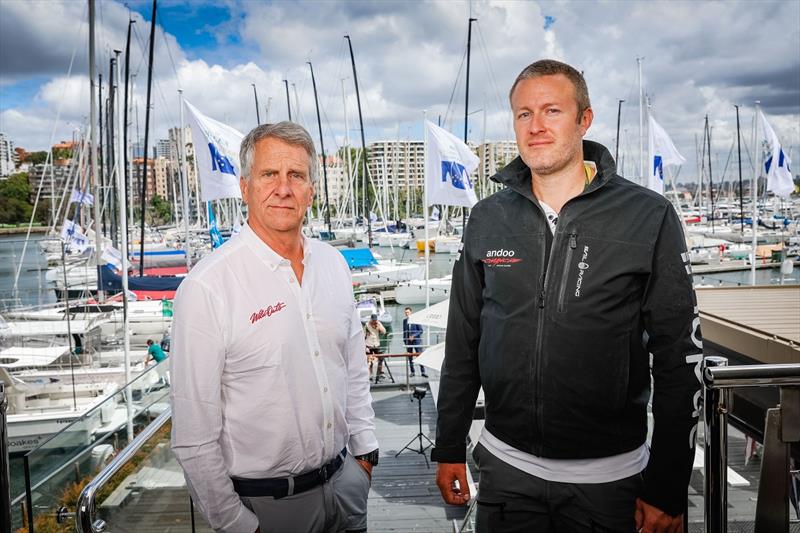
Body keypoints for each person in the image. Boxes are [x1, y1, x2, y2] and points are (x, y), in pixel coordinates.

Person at [432, 59, 703, 533]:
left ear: (585, 120)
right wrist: (449, 445)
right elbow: (464, 341)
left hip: (610, 481)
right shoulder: (486, 218)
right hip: (505, 471)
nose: (535, 126)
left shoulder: (649, 217)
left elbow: (680, 360)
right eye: (523, 114)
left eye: (551, 111)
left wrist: (667, 483)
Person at [170, 122, 379, 533]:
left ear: (311, 190)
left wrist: (365, 454)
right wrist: (237, 524)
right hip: (265, 507)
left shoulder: (333, 264)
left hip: (345, 485)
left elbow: (352, 369)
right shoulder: (207, 287)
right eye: (269, 175)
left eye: (296, 176)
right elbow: (193, 435)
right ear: (245, 186)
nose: (283, 188)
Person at [402, 307, 427, 378]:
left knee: (419, 356)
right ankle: (412, 372)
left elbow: (421, 330)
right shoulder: (404, 321)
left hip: (416, 341)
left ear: (411, 312)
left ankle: (423, 372)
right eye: (406, 312)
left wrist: (413, 336)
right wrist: (405, 340)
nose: (407, 314)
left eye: (408, 312)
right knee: (410, 357)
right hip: (408, 342)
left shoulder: (416, 320)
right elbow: (404, 331)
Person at [364, 313, 387, 381]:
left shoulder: (378, 323)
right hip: (369, 344)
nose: (374, 321)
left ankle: (379, 373)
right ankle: (370, 374)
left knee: (380, 358)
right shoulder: (367, 324)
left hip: (376, 344)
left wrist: (379, 327)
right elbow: (363, 335)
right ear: (371, 319)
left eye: (375, 320)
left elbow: (384, 332)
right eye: (373, 320)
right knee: (369, 360)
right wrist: (364, 346)